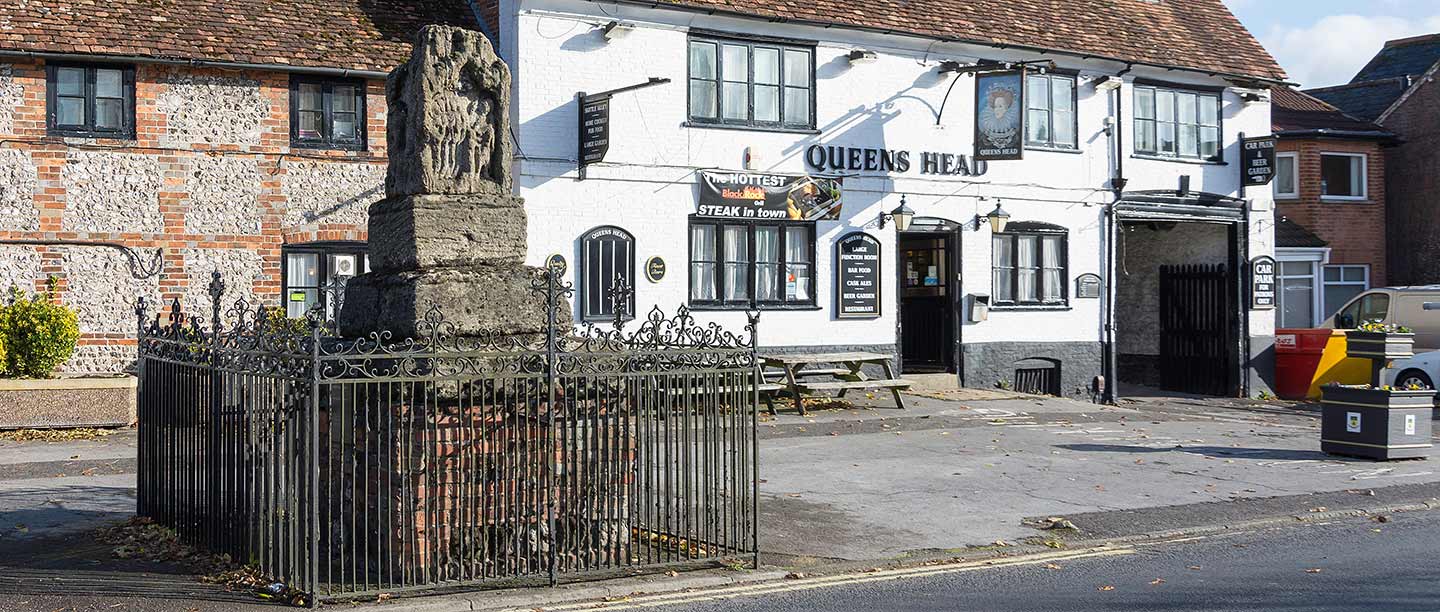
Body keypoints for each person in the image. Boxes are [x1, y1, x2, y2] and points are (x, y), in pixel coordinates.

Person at [978, 84, 1019, 152]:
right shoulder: (986, 128)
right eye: (995, 106)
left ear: (1007, 108)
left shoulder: (1013, 131)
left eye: (1000, 106)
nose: (997, 110)